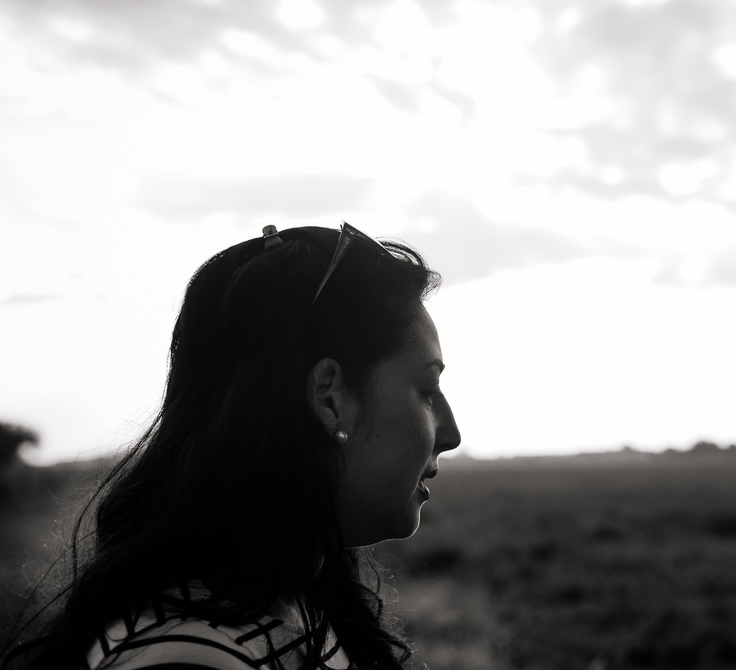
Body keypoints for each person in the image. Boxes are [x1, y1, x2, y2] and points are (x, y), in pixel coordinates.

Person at [2, 222, 461, 670]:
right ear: (329, 398)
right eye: (428, 389)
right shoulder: (186, 656)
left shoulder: (304, 600)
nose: (451, 434)